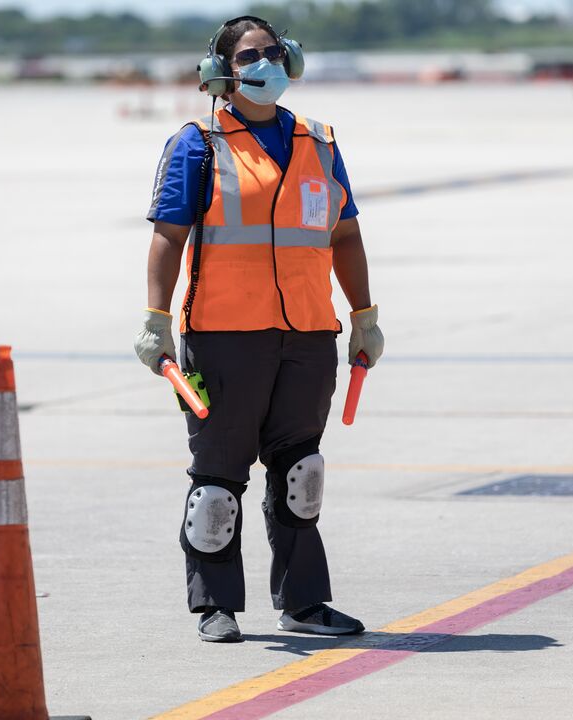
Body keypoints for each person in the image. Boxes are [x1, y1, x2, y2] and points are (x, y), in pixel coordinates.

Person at [134, 15, 384, 643]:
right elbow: (169, 238)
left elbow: (345, 235)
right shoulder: (198, 142)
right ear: (222, 70)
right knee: (218, 486)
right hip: (223, 336)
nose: (264, 64)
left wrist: (364, 316)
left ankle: (304, 603)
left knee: (302, 475)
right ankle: (214, 604)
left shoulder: (319, 142)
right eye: (249, 56)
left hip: (306, 335)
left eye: (273, 52)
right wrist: (156, 321)